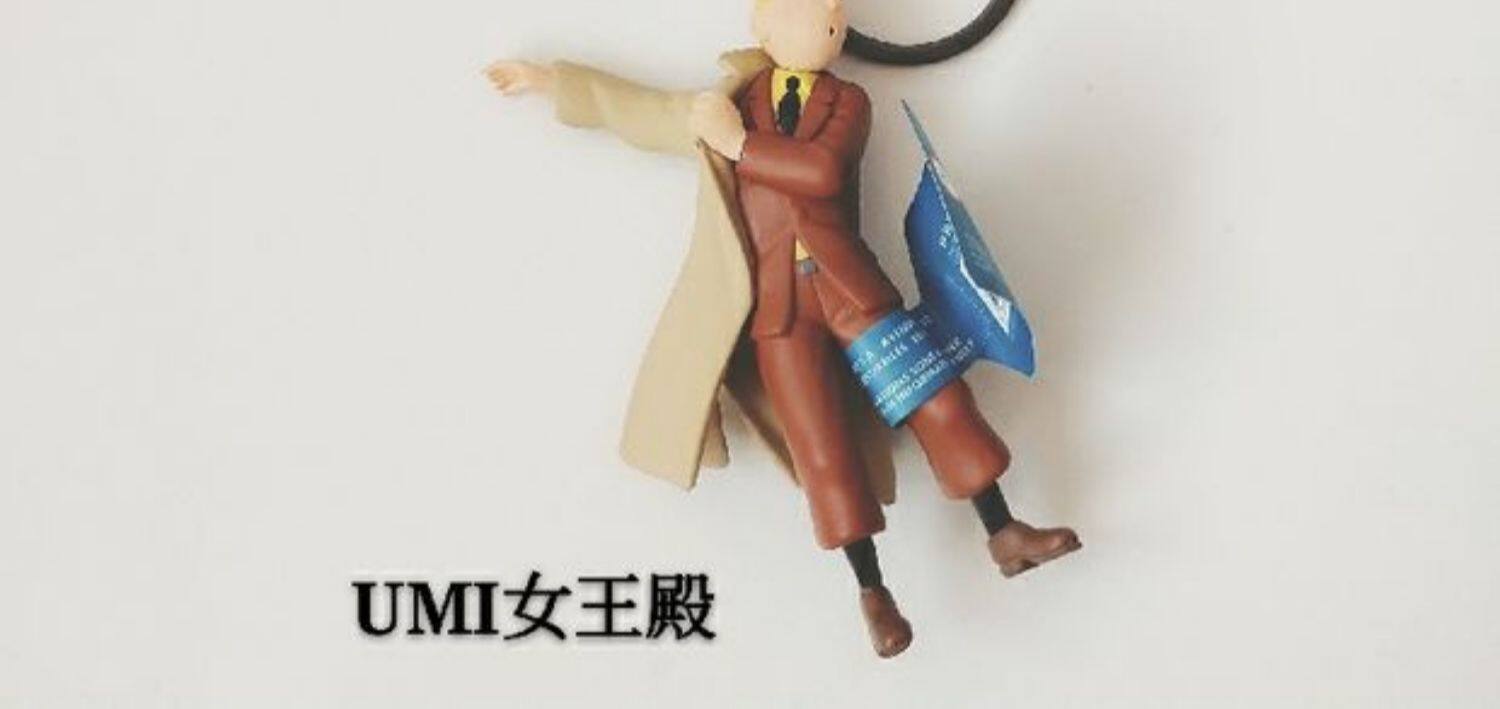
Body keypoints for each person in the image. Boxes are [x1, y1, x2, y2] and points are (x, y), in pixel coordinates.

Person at [486, 0, 1079, 658]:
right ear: (762, 24)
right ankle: (874, 594)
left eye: (833, 14)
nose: (827, 22)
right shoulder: (729, 102)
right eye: (806, 10)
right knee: (821, 448)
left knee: (934, 393)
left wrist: (737, 144)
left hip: (850, 291)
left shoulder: (847, 101)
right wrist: (552, 81)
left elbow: (821, 172)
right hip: (777, 311)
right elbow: (645, 112)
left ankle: (1003, 529)